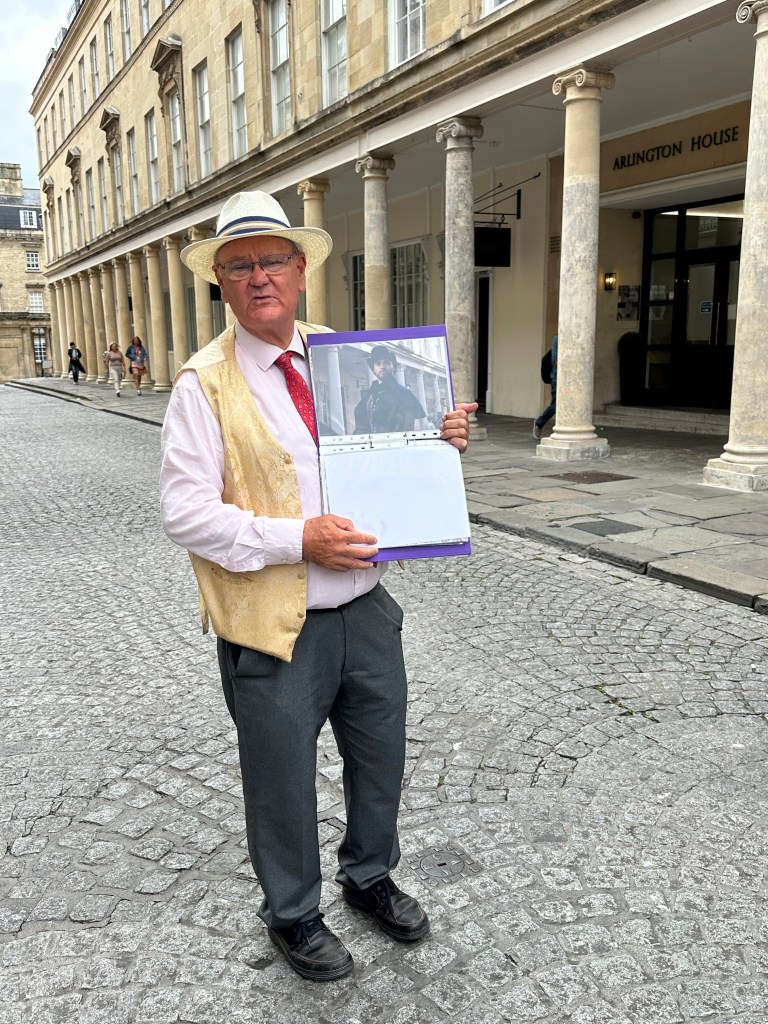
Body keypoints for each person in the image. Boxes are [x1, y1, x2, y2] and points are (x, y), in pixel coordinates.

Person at [159, 190, 475, 983]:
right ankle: (293, 914)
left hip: (366, 610)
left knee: (380, 758)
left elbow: (385, 452)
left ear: (301, 269)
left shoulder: (340, 354)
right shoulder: (204, 384)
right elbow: (185, 514)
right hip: (273, 625)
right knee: (281, 783)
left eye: (272, 260)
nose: (259, 277)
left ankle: (368, 877)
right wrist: (296, 538)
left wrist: (437, 441)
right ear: (221, 283)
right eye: (239, 266)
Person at [353, 345, 426, 433]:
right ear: (373, 370)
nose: (382, 367)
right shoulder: (369, 396)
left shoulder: (404, 394)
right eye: (378, 364)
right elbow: (361, 425)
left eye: (387, 363)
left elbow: (407, 427)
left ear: (393, 367)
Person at [533, 333, 558, 440]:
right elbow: (555, 362)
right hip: (558, 379)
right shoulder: (557, 339)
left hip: (573, 380)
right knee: (556, 405)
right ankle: (539, 423)